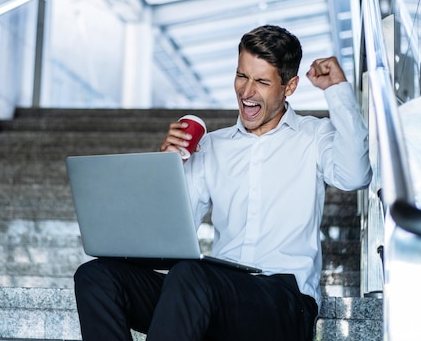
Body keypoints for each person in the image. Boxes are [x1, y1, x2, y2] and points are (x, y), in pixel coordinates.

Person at [74, 24, 372, 341]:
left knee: (191, 276)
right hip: (212, 293)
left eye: (261, 81)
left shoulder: (315, 135)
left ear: (289, 86)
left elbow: (355, 174)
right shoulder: (212, 146)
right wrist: (166, 170)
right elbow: (170, 235)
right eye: (242, 76)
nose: (246, 92)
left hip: (284, 300)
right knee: (96, 276)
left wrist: (338, 90)